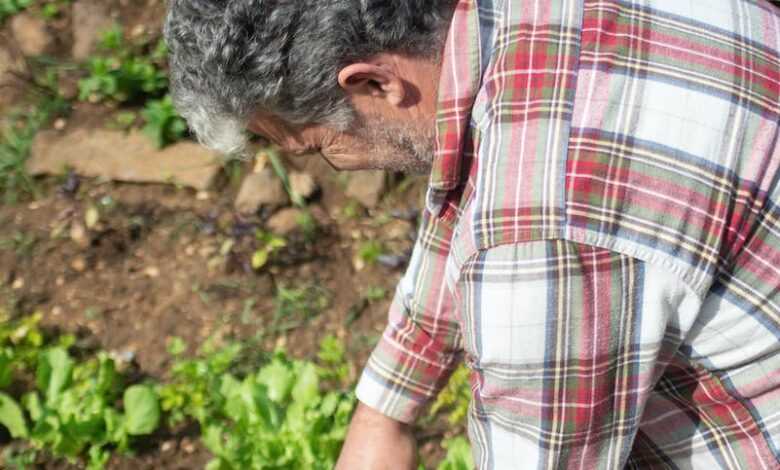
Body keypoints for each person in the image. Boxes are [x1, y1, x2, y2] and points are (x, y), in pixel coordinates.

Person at [164, 0, 780, 468]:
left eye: (321, 148)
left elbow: (526, 223)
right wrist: (384, 411)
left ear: (375, 84)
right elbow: (475, 181)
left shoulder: (545, 241)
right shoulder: (508, 25)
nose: (334, 164)